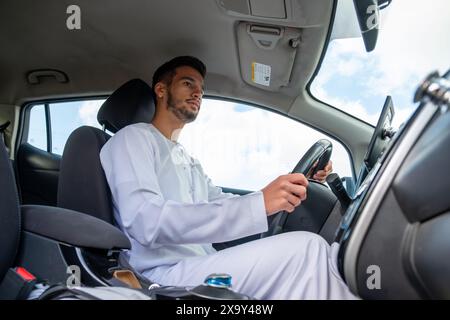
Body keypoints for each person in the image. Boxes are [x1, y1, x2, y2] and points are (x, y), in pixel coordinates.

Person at [100, 56, 356, 299]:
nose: (198, 92)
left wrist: (286, 191)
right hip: (161, 274)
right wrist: (258, 204)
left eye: (201, 88)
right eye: (187, 83)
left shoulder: (187, 159)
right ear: (161, 90)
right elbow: (146, 221)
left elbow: (220, 201)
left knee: (320, 256)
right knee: (307, 252)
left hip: (199, 263)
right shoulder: (133, 138)